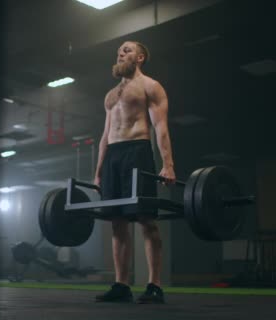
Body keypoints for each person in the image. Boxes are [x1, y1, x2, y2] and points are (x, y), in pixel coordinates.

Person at [93, 41, 176, 304]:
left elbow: (161, 127)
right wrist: (98, 173)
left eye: (127, 50)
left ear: (140, 57)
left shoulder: (150, 86)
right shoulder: (111, 95)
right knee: (117, 223)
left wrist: (168, 164)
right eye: (119, 50)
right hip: (113, 157)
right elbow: (105, 135)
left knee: (146, 220)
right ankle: (121, 285)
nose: (121, 53)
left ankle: (154, 285)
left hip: (137, 151)